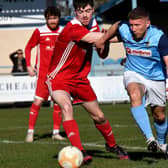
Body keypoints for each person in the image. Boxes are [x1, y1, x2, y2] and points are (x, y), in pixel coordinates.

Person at [46, 0, 129, 165]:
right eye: (80, 11)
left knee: (99, 117)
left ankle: (112, 145)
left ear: (93, 11)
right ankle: (79, 151)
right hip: (59, 77)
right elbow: (102, 39)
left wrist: (107, 39)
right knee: (67, 107)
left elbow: (103, 52)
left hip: (80, 79)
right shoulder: (72, 28)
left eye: (88, 10)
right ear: (75, 12)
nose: (84, 15)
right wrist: (126, 32)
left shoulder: (93, 25)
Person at [95, 7, 168, 157]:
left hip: (156, 77)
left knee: (159, 115)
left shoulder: (159, 37)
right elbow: (117, 24)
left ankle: (162, 142)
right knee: (134, 95)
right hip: (133, 73)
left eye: (137, 25)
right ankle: (149, 139)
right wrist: (102, 39)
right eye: (132, 25)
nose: (133, 29)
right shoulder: (124, 28)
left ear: (147, 23)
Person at [25, 6, 65, 142]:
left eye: (55, 18)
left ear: (59, 18)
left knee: (58, 103)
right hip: (43, 74)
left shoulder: (64, 32)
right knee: (38, 102)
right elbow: (28, 47)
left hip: (58, 74)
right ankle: (30, 132)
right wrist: (29, 66)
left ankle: (56, 132)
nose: (52, 21)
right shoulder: (40, 32)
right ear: (46, 19)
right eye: (50, 18)